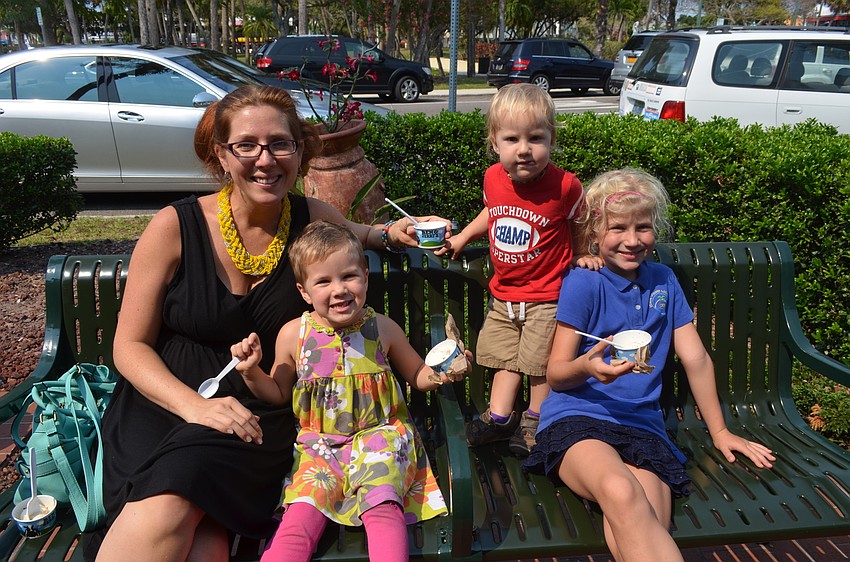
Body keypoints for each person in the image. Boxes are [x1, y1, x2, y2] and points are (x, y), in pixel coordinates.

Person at [87, 84, 451, 562]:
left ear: (299, 152)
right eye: (247, 145)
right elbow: (129, 346)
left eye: (281, 143)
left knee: (192, 515)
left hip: (259, 411)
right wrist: (196, 408)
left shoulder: (309, 219)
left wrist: (391, 233)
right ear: (221, 153)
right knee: (189, 529)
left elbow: (361, 233)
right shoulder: (174, 227)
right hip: (167, 405)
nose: (267, 159)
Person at [523, 168, 776, 561]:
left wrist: (721, 431)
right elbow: (556, 373)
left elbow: (695, 358)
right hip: (578, 417)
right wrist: (587, 368)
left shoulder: (664, 281)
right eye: (617, 228)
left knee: (648, 519)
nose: (631, 240)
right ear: (593, 232)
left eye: (643, 227)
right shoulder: (584, 282)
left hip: (641, 425)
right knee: (622, 492)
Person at [229, 220, 470, 562]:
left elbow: (417, 373)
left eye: (349, 276)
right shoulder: (293, 335)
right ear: (303, 291)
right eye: (323, 281)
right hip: (319, 445)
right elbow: (279, 392)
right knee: (299, 514)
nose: (339, 289)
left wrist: (445, 371)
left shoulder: (381, 328)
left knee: (384, 506)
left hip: (380, 437)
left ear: (365, 278)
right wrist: (251, 371)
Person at [437, 83, 586, 457]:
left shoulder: (566, 186)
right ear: (495, 142)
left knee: (538, 365)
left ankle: (536, 419)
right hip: (503, 294)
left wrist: (584, 254)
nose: (524, 149)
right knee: (504, 359)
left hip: (547, 297)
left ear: (551, 138)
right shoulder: (492, 178)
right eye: (512, 138)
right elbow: (492, 213)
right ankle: (500, 418)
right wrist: (462, 237)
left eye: (536, 138)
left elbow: (581, 222)